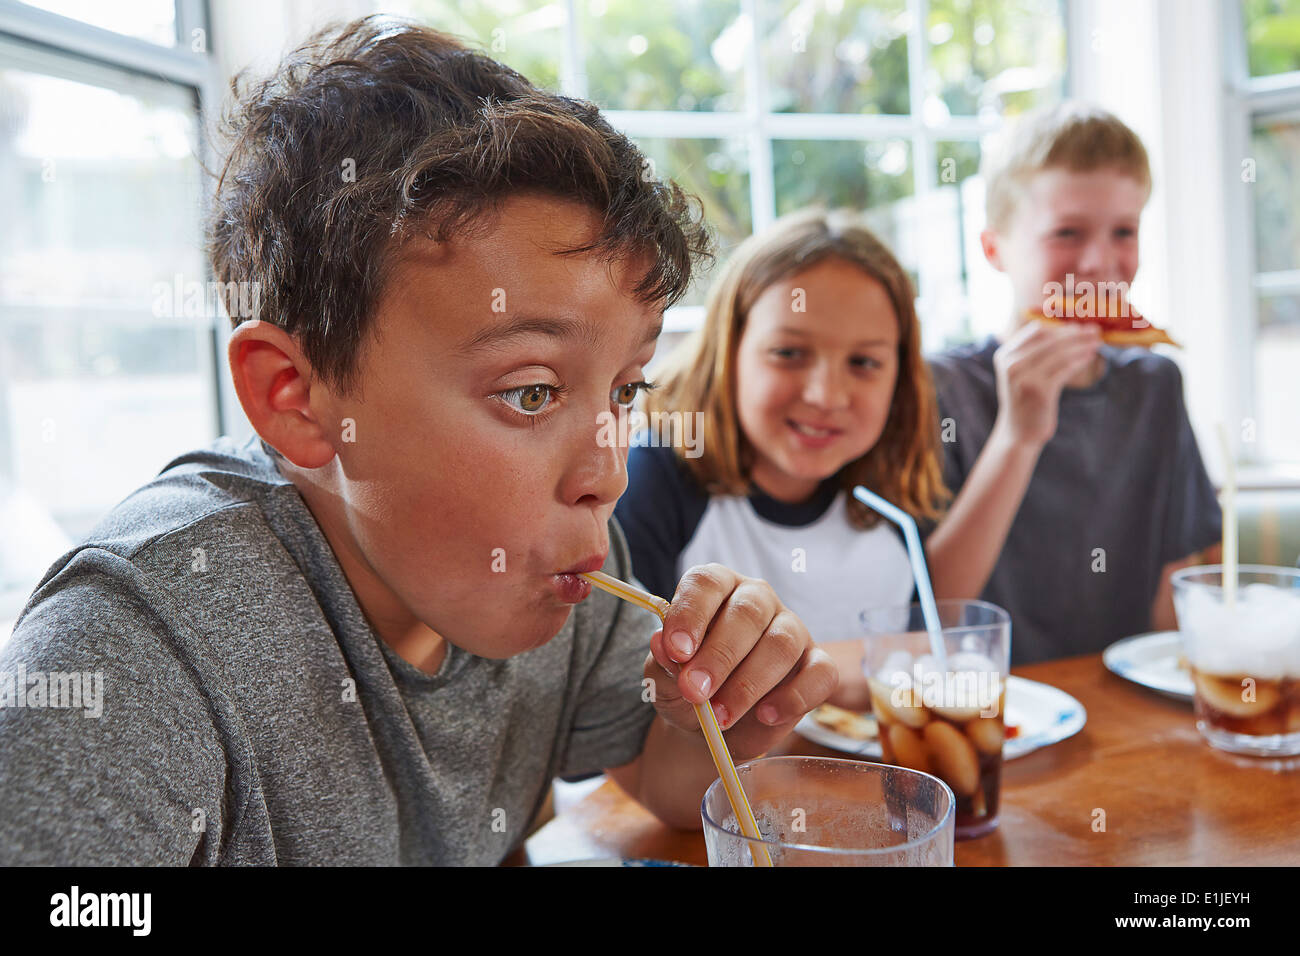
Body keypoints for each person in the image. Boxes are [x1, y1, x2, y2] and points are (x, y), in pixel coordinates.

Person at [0, 17, 835, 865]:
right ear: (294, 395)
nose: (607, 472)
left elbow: (663, 783)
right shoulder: (138, 653)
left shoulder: (561, 566)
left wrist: (726, 715)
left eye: (626, 388)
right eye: (533, 391)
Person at [618, 208, 968, 709]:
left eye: (864, 363)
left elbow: (927, 648)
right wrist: (857, 666)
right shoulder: (657, 475)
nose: (826, 395)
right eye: (788, 353)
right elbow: (627, 698)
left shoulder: (892, 489)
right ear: (729, 350)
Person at [927, 102, 1222, 666]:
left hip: (1124, 703)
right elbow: (931, 612)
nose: (1098, 263)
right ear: (994, 250)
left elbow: (1172, 589)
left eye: (1123, 232)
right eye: (1067, 232)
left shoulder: (1156, 384)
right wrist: (1018, 435)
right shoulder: (942, 387)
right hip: (985, 707)